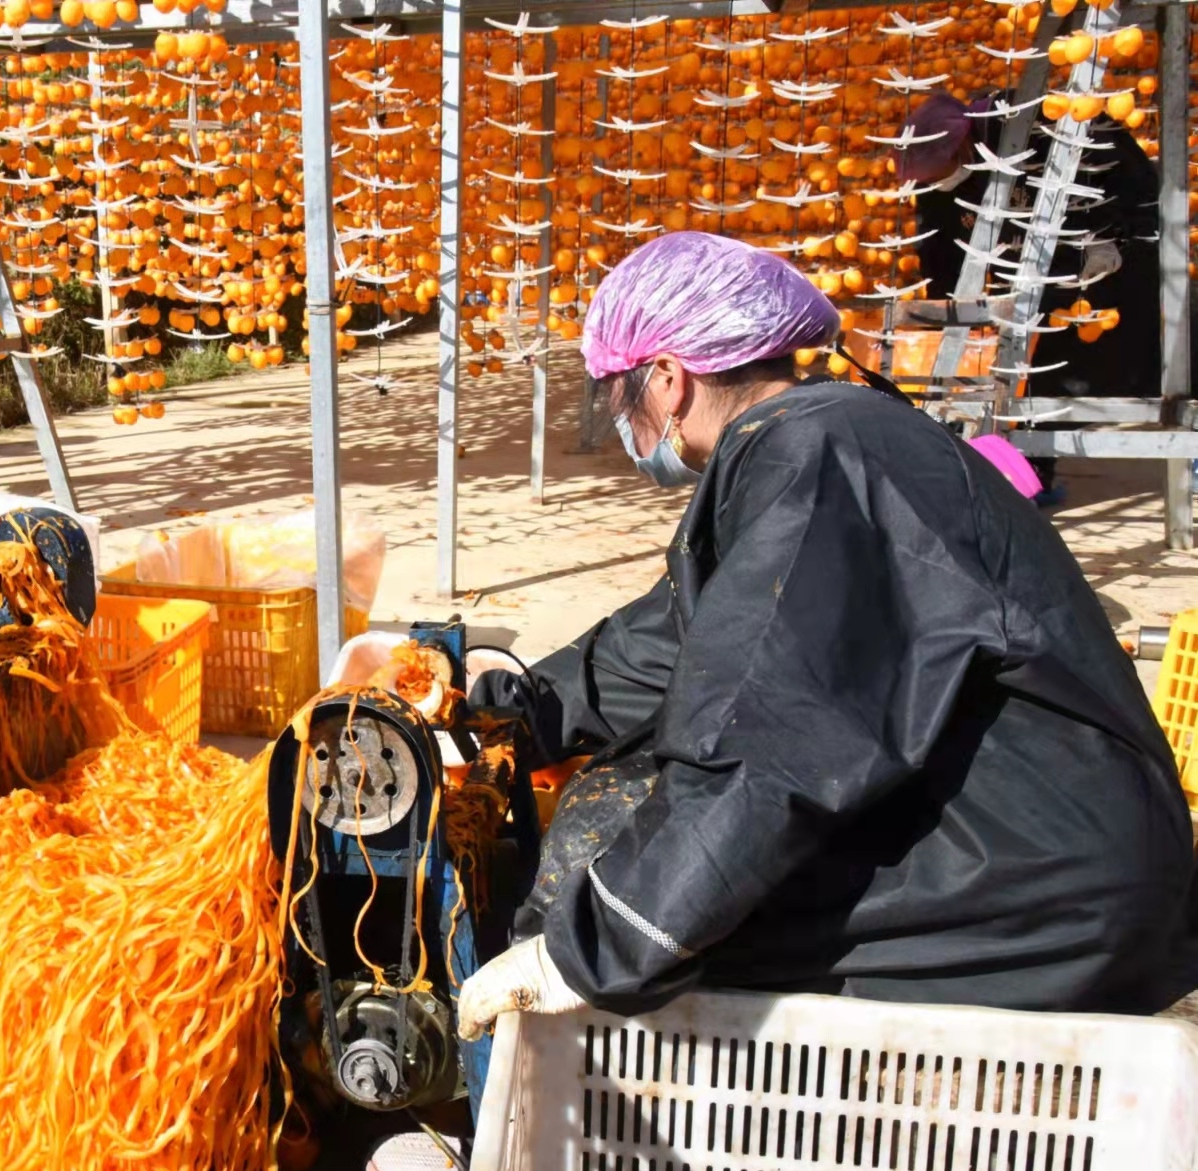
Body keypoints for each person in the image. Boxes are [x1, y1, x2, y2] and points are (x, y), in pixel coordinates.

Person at [455, 232, 1196, 1040]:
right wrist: (501, 716)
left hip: (1033, 879)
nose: (619, 424)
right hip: (1042, 852)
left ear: (666, 381)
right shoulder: (817, 442)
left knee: (645, 926)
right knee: (630, 846)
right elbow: (672, 638)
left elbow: (766, 733)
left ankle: (549, 1151)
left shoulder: (814, 457)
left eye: (615, 397)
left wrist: (585, 948)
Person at [903, 91, 1165, 499]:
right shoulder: (937, 174)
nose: (938, 184)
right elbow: (938, 243)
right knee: (1035, 368)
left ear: (966, 144)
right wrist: (952, 306)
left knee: (1119, 346)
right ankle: (1033, 466)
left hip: (1104, 261)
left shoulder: (1047, 124)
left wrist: (1113, 238)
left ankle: (1040, 459)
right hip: (1023, 268)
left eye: (942, 173)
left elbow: (1126, 179)